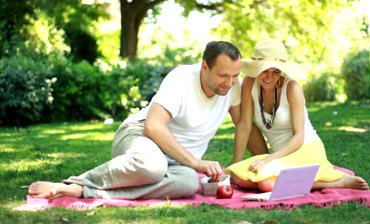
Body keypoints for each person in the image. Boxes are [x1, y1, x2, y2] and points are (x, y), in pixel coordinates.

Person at [28, 41, 249, 200]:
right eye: (223, 76)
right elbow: (153, 126)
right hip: (141, 135)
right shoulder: (182, 78)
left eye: (234, 76)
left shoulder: (232, 87)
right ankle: (75, 183)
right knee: (151, 166)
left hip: (175, 159)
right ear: (204, 67)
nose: (229, 83)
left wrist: (246, 164)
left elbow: (243, 123)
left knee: (188, 183)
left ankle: (90, 192)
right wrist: (195, 163)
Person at [225, 38, 369, 192]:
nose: (269, 77)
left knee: (267, 184)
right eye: (264, 71)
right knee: (236, 176)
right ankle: (302, 179)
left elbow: (299, 136)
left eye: (276, 72)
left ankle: (335, 182)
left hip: (306, 147)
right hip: (281, 155)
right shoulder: (249, 83)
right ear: (255, 68)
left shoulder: (292, 88)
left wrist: (268, 160)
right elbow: (245, 125)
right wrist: (235, 164)